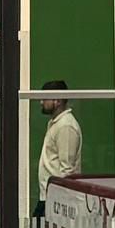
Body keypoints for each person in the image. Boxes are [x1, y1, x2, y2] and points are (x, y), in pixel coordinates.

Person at [34, 84, 82, 214]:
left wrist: (61, 206)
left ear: (57, 101)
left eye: (45, 98)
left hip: (57, 201)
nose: (41, 102)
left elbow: (67, 170)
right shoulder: (56, 123)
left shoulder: (66, 126)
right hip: (49, 196)